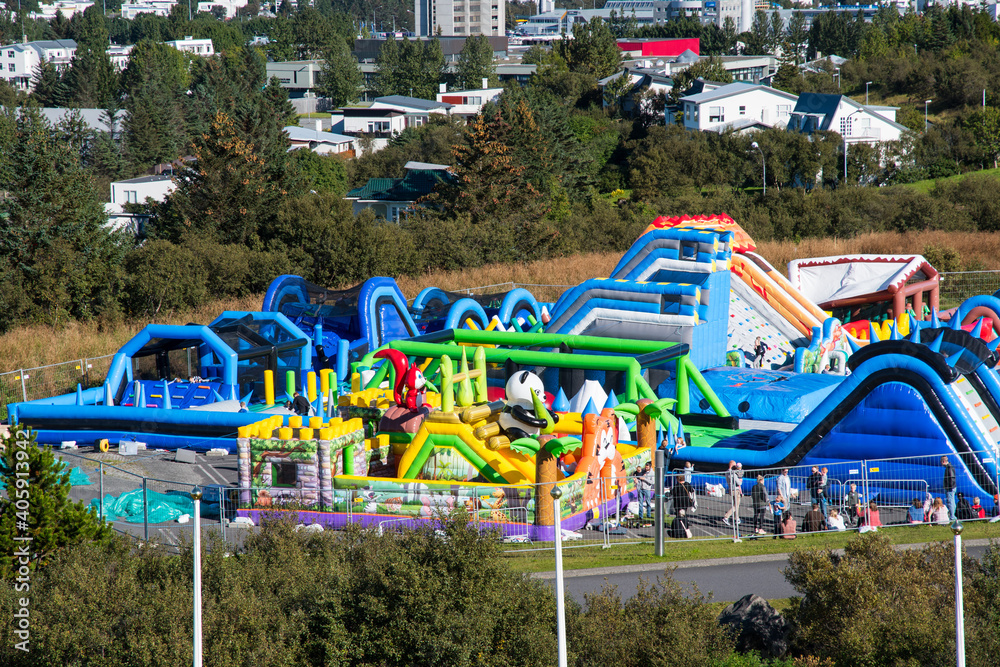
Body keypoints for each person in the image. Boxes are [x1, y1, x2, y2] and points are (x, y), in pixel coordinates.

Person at [722, 461, 744, 527]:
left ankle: (737, 519)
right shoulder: (733, 473)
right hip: (735, 490)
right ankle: (726, 517)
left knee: (736, 505)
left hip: (731, 489)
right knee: (736, 506)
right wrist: (740, 480)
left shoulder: (727, 472)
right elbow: (739, 483)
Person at [942, 455, 957, 522]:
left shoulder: (949, 468)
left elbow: (952, 478)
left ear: (943, 461)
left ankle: (952, 516)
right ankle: (952, 515)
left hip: (950, 488)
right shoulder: (949, 467)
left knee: (950, 502)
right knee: (951, 501)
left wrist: (950, 487)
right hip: (951, 487)